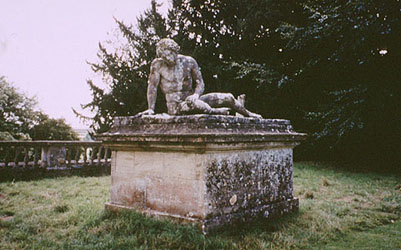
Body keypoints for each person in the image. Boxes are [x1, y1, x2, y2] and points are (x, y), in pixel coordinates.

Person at [136, 38, 262, 118]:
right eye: (164, 57)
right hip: (176, 106)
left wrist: (196, 95)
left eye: (168, 55)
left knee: (228, 97)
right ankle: (216, 112)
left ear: (174, 51)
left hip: (193, 98)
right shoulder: (158, 65)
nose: (167, 59)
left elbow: (200, 83)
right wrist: (151, 109)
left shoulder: (189, 62)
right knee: (196, 105)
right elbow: (152, 87)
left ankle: (248, 114)